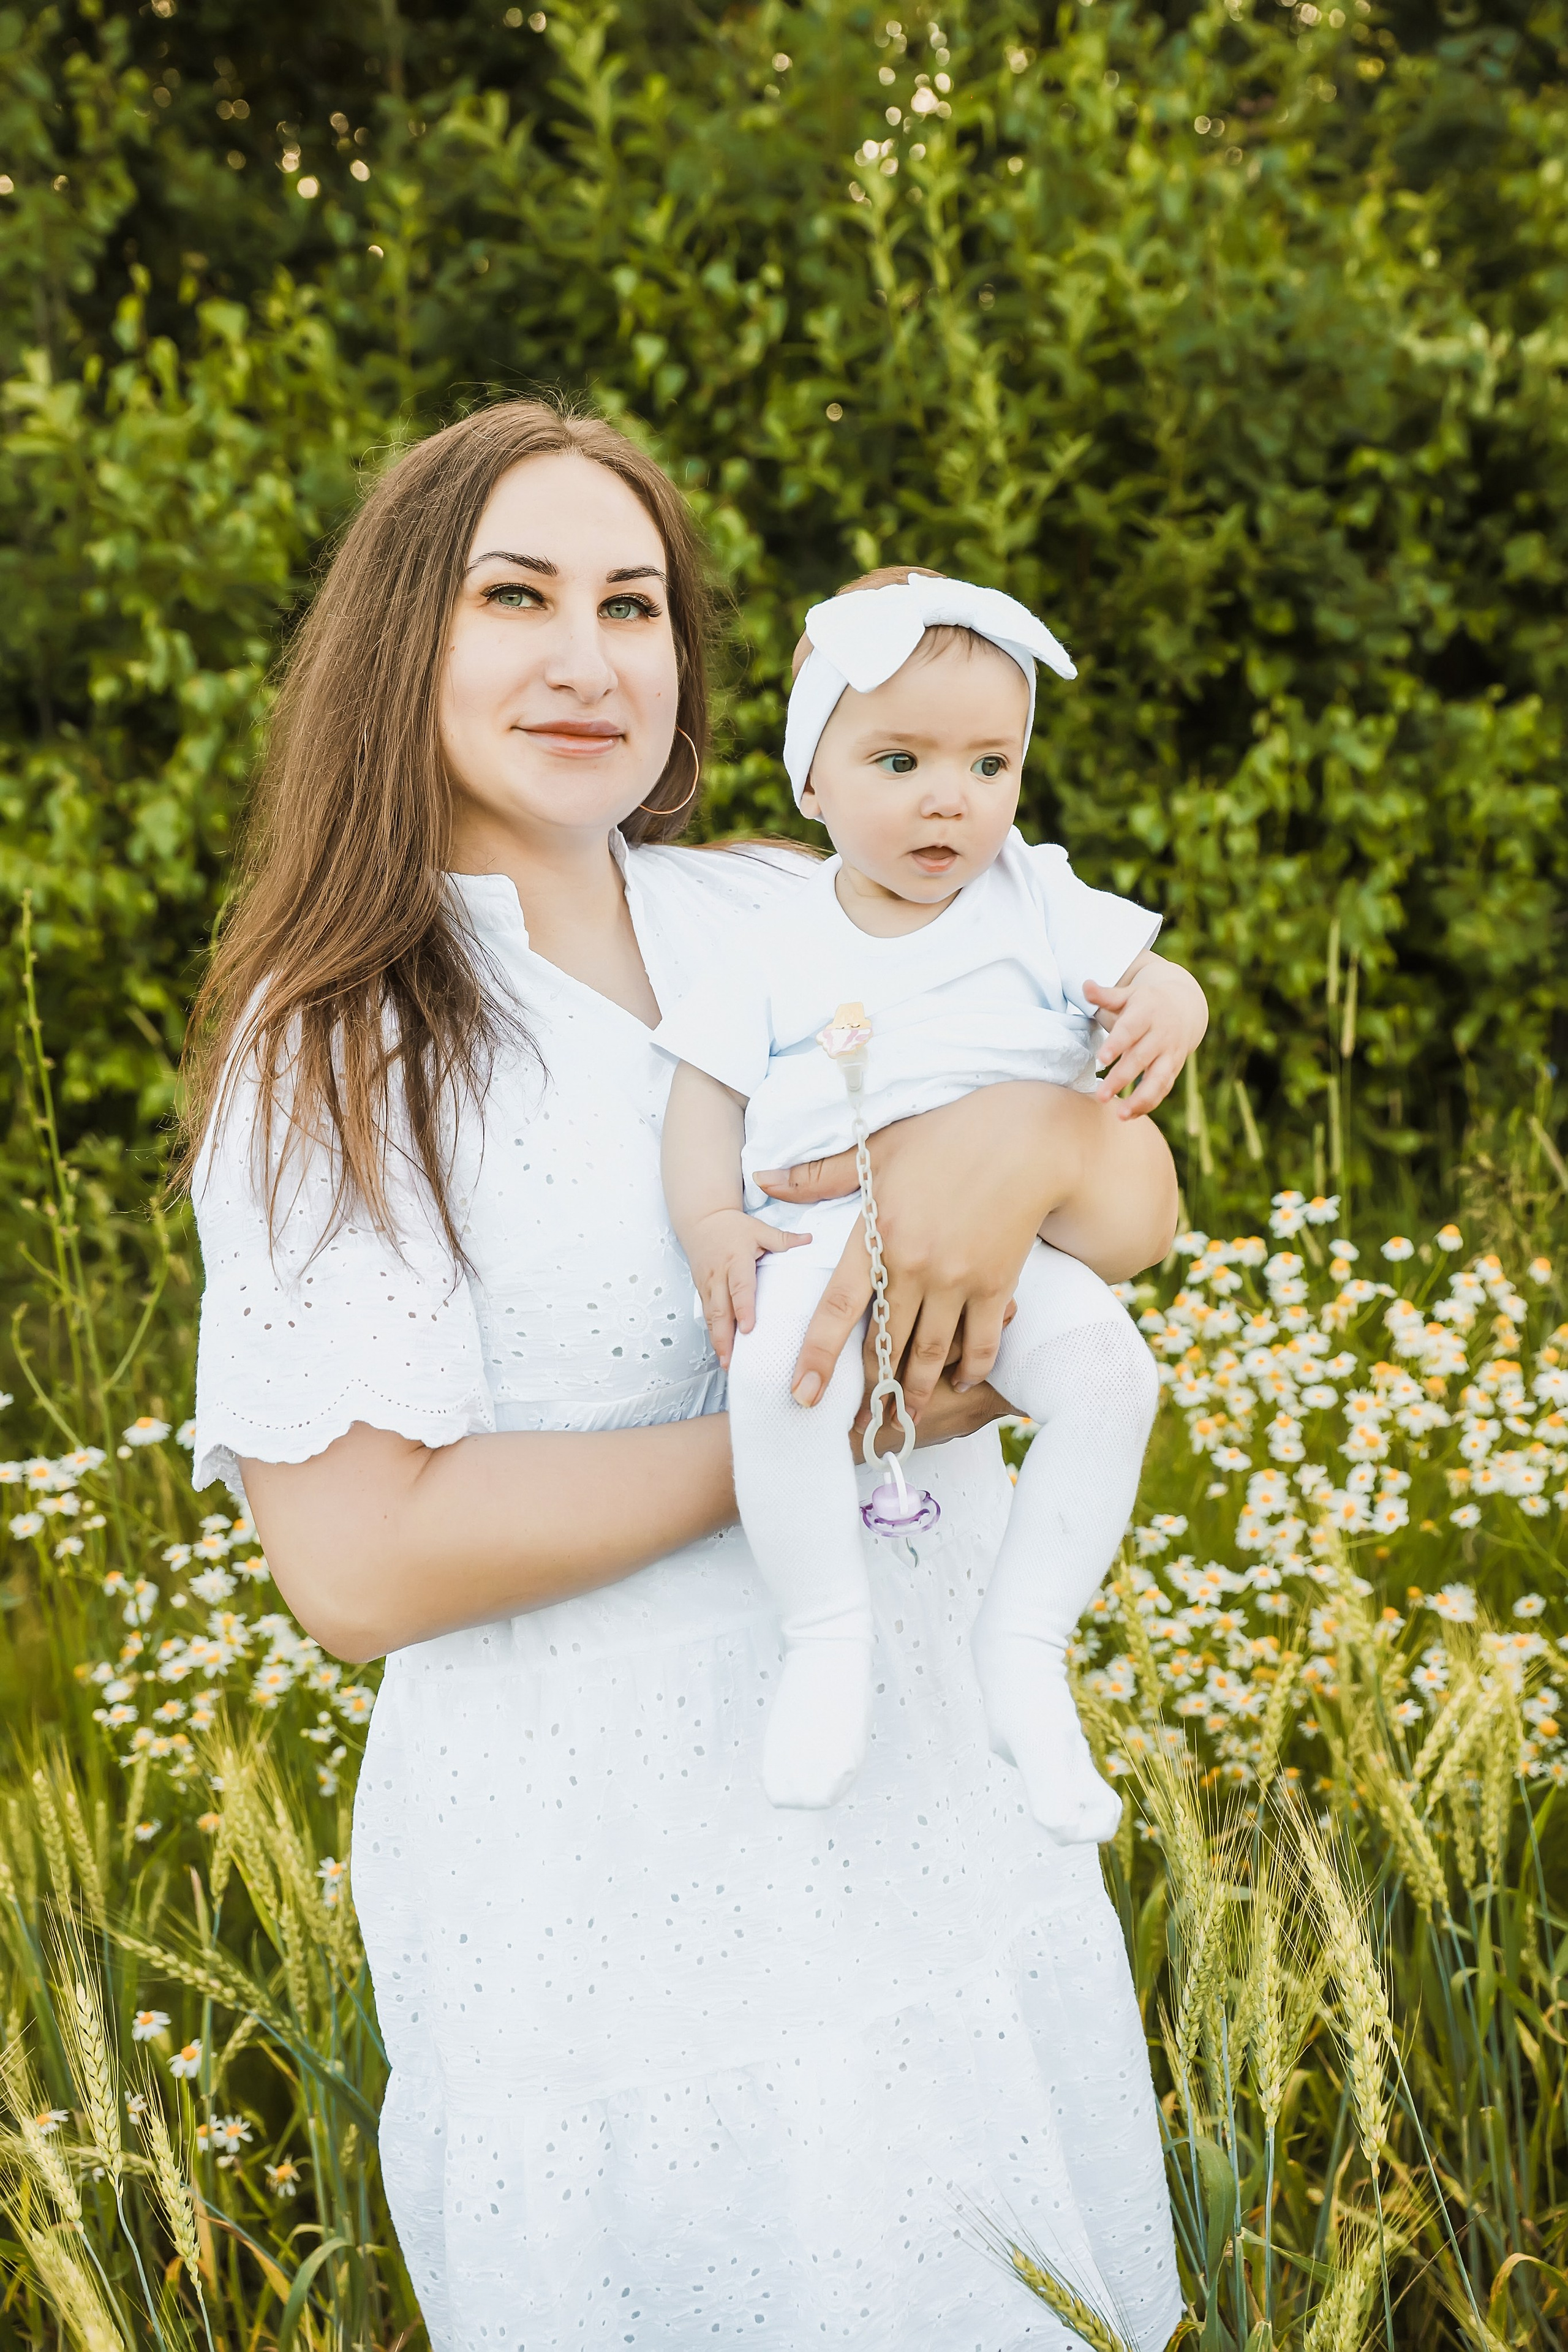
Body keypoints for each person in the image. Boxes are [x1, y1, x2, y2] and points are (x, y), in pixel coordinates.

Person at [182, 399, 1185, 2349]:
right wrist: (814, 1425)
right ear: (402, 640)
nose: (588, 659)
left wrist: (1035, 1139)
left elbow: (1133, 1208)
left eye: (632, 605)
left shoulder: (785, 906)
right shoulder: (340, 1045)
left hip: (931, 1810)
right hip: (617, 1899)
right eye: (516, 597)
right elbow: (358, 1564)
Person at [657, 567, 1208, 1825]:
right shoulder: (776, 940)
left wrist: (1173, 1003)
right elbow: (701, 1095)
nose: (950, 799)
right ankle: (825, 1635)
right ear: (812, 780)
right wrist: (711, 1223)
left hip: (1010, 1247)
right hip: (819, 1236)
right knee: (780, 1380)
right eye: (898, 762)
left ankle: (1025, 1647)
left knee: (1113, 1381)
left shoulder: (1034, 893)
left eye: (989, 764)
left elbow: (1152, 974)